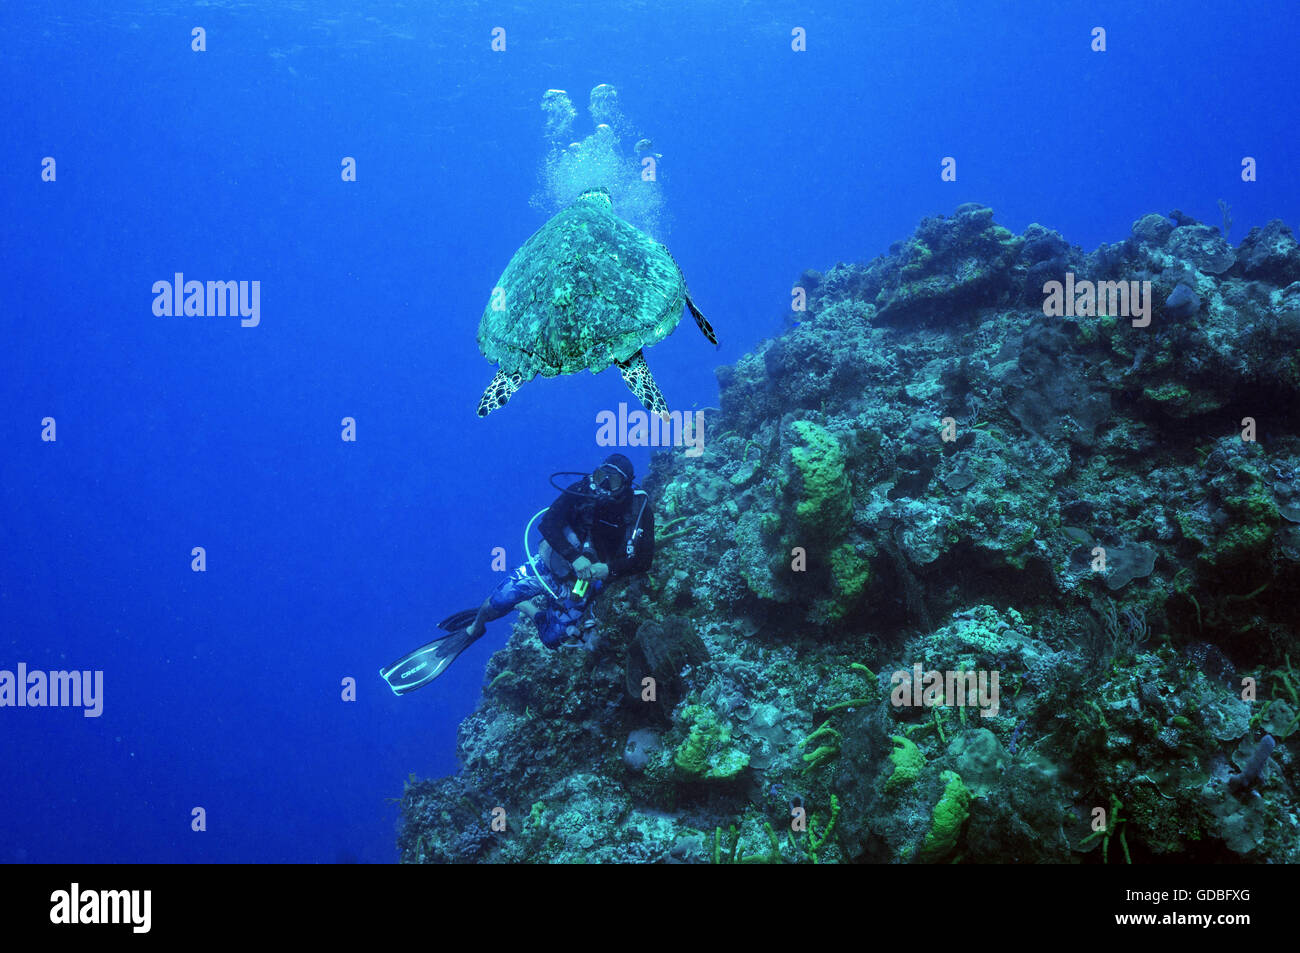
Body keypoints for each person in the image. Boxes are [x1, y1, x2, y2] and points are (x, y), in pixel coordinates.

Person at [380, 453, 655, 694]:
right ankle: (474, 628)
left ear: (626, 485)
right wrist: (574, 557)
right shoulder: (581, 490)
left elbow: (644, 560)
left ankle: (530, 610)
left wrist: (608, 569)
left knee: (552, 638)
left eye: (613, 481)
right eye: (600, 476)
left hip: (586, 582)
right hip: (551, 565)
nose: (603, 485)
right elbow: (548, 524)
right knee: (498, 600)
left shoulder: (638, 510)